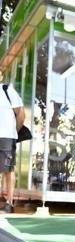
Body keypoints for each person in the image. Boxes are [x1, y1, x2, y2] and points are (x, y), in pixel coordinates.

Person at [0, 71, 25, 214]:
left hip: (7, 137)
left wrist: (13, 131)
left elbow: (21, 114)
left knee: (8, 170)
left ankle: (9, 203)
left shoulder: (7, 90)